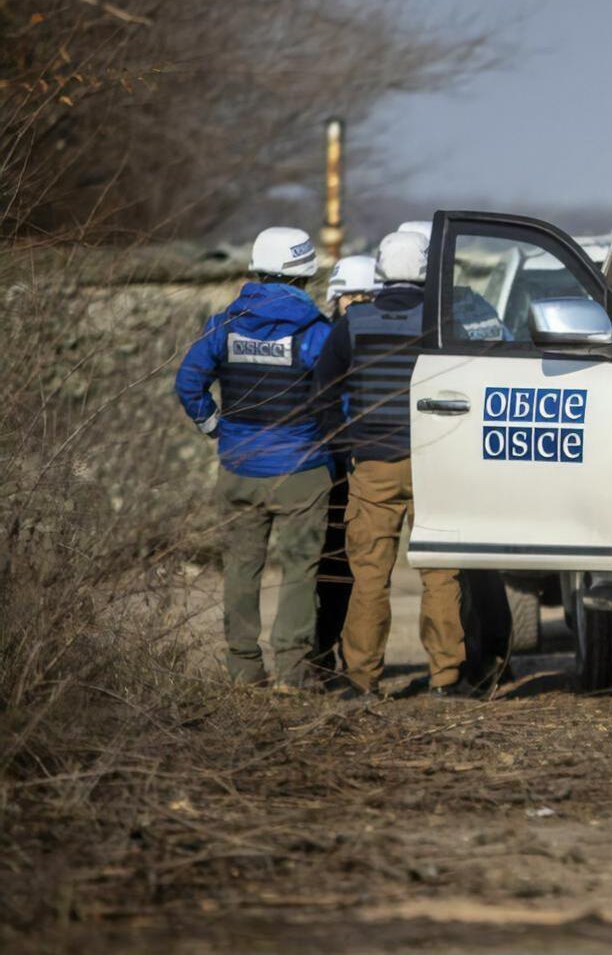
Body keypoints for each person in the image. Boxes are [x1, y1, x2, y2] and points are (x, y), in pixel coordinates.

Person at [313, 230, 471, 701]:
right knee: (441, 574)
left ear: (380, 269)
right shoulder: (442, 319)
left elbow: (322, 392)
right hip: (434, 464)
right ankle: (447, 677)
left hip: (372, 466)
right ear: (427, 269)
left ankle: (362, 679)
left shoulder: (354, 322)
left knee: (368, 576)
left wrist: (345, 447)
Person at [174, 226, 333, 689]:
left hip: (239, 466)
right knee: (300, 570)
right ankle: (293, 672)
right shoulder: (316, 332)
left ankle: (244, 670)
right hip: (302, 469)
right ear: (305, 275)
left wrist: (215, 427)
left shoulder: (224, 324)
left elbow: (188, 384)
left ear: (256, 271)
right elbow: (337, 400)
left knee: (242, 569)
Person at [312, 255, 379, 677]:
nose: (355, 303)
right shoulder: (326, 338)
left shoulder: (371, 337)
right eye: (348, 296)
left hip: (361, 461)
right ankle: (323, 652)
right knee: (332, 566)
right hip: (334, 464)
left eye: (365, 296)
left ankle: (337, 653)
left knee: (355, 567)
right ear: (335, 299)